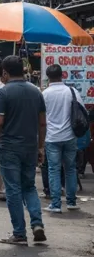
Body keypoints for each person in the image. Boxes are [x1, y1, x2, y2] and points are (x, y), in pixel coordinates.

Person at [0, 56, 46, 246]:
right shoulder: (36, 92)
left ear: (4, 73)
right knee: (29, 186)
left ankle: (19, 233)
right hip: (30, 146)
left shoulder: (3, 93)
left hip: (10, 147)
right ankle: (37, 223)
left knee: (13, 190)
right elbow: (42, 123)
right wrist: (40, 146)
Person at [40, 64, 80, 213]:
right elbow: (81, 112)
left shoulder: (45, 94)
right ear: (62, 75)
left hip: (52, 137)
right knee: (70, 169)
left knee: (54, 170)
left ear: (48, 77)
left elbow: (41, 117)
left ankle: (56, 204)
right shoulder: (72, 91)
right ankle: (71, 201)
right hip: (70, 136)